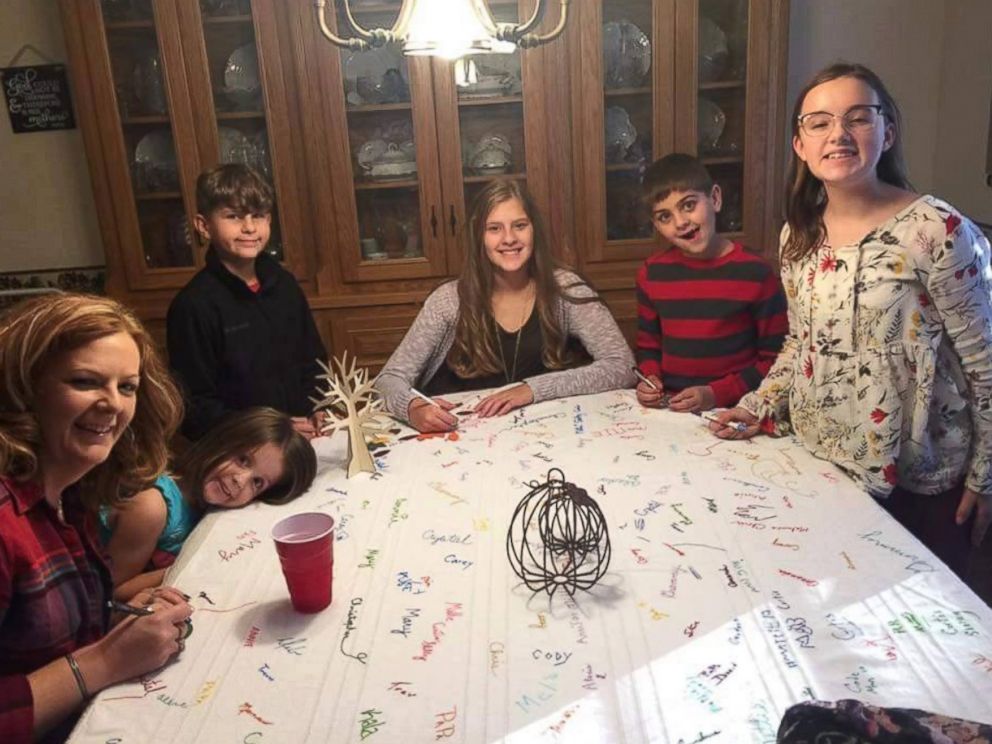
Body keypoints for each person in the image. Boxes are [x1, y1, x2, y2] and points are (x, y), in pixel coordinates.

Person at [709, 63, 992, 602]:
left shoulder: (938, 230)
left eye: (857, 118)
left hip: (921, 475)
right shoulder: (799, 233)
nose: (838, 134)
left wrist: (986, 476)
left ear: (887, 132)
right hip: (824, 461)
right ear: (799, 144)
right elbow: (801, 344)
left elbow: (986, 362)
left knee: (921, 627)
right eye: (819, 123)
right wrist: (756, 405)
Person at [0, 293, 193, 743]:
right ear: (23, 388)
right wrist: (104, 660)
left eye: (127, 387)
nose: (113, 404)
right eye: (86, 382)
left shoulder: (72, 492)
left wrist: (119, 623)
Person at [375, 179, 635, 432]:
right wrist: (412, 407)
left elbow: (622, 366)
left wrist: (532, 390)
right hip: (465, 440)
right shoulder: (448, 301)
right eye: (494, 229)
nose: (509, 238)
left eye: (519, 225)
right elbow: (387, 381)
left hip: (547, 434)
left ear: (534, 230)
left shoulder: (565, 289)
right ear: (479, 238)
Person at [167, 164, 327, 441]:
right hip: (240, 449)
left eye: (259, 215)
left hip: (304, 440)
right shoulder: (193, 306)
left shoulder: (285, 286)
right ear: (204, 226)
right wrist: (268, 430)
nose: (250, 227)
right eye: (233, 216)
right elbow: (195, 408)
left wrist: (319, 405)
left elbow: (313, 362)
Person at [101, 407, 317, 600]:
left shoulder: (204, 501)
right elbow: (112, 593)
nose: (239, 480)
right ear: (223, 441)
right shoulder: (151, 508)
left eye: (257, 482)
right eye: (242, 459)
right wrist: (194, 564)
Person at [634, 153, 788, 412]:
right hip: (671, 410)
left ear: (715, 198)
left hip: (736, 410)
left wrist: (717, 393)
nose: (681, 223)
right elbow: (649, 348)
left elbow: (777, 360)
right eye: (664, 217)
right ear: (656, 225)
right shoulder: (652, 273)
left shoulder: (755, 272)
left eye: (688, 205)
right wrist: (649, 379)